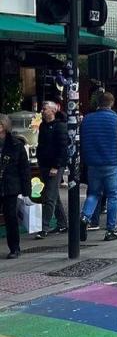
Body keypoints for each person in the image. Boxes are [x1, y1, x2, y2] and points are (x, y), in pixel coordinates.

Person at [79, 92, 117, 242]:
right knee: (113, 196)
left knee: (93, 193)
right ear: (111, 103)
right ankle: (111, 230)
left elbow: (81, 141)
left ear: (98, 103)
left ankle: (84, 217)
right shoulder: (116, 119)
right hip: (112, 162)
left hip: (93, 164)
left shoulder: (86, 120)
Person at [34, 101, 69, 238]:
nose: (42, 111)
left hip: (54, 166)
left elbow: (62, 148)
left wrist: (56, 166)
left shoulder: (60, 126)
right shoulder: (43, 126)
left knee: (49, 196)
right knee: (54, 195)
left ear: (53, 111)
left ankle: (44, 227)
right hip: (44, 164)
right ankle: (62, 223)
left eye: (45, 109)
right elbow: (41, 145)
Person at [0, 113, 32, 258]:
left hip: (9, 186)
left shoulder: (15, 144)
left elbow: (24, 169)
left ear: (3, 127)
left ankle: (15, 248)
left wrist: (26, 191)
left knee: (11, 217)